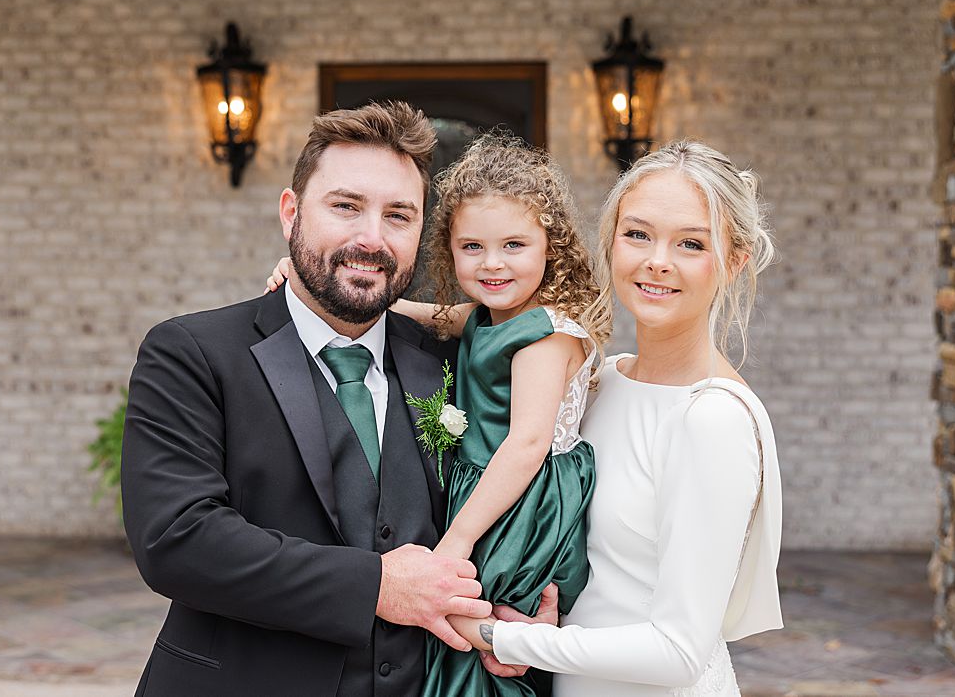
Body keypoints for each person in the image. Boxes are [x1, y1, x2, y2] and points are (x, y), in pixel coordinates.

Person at [120, 102, 499, 695]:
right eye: (345, 206)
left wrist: (517, 614)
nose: (371, 238)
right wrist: (377, 585)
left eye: (399, 215)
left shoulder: (453, 361)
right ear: (291, 212)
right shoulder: (191, 352)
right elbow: (177, 538)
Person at [268, 134, 608, 696]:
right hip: (485, 486)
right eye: (471, 246)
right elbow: (413, 310)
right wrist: (310, 277)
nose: (492, 263)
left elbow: (527, 445)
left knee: (475, 620)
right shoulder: (485, 315)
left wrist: (456, 540)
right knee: (453, 627)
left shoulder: (546, 334)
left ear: (552, 245)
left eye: (514, 245)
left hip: (519, 500)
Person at [448, 140, 784, 696]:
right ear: (609, 242)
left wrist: (499, 638)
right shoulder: (603, 382)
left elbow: (678, 652)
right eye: (638, 234)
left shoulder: (712, 419)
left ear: (735, 261)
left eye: (691, 243)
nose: (658, 260)